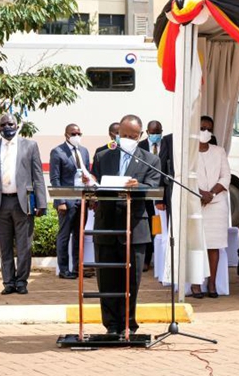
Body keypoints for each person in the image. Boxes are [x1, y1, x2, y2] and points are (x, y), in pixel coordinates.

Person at [91, 114, 160, 337]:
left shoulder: (151, 160)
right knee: (107, 280)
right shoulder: (103, 155)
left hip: (134, 229)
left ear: (140, 136)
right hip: (106, 226)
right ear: (117, 134)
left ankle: (128, 324)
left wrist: (138, 185)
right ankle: (111, 325)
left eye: (133, 136)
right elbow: (95, 183)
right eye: (124, 135)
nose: (128, 139)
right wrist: (88, 183)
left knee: (132, 281)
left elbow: (153, 187)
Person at [0, 114, 47, 295]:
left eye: (11, 123)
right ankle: (8, 282)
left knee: (25, 246)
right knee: (4, 246)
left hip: (22, 203)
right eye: (3, 124)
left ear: (17, 125)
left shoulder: (30, 146)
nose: (7, 127)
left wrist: (42, 202)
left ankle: (22, 282)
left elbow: (38, 176)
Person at [192, 116, 231, 298]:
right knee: (196, 245)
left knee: (213, 246)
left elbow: (226, 177)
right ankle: (196, 283)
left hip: (216, 204)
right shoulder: (188, 151)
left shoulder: (219, 151)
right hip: (195, 203)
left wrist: (212, 193)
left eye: (209, 128)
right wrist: (200, 193)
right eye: (202, 128)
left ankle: (212, 283)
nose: (205, 131)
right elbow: (185, 176)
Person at [50, 123, 91, 279]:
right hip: (66, 202)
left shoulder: (84, 151)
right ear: (66, 135)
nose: (77, 136)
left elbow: (87, 174)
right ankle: (64, 269)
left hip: (82, 200)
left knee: (79, 236)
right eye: (73, 133)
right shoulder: (58, 152)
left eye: (79, 133)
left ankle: (77, 268)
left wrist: (90, 197)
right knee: (64, 236)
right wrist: (60, 200)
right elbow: (55, 179)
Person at [137, 120, 171, 272]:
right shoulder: (140, 147)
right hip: (145, 194)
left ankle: (161, 260)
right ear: (147, 132)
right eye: (153, 133)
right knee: (147, 226)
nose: (156, 135)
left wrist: (160, 198)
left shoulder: (167, 145)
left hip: (161, 195)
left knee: (158, 229)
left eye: (158, 132)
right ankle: (146, 260)